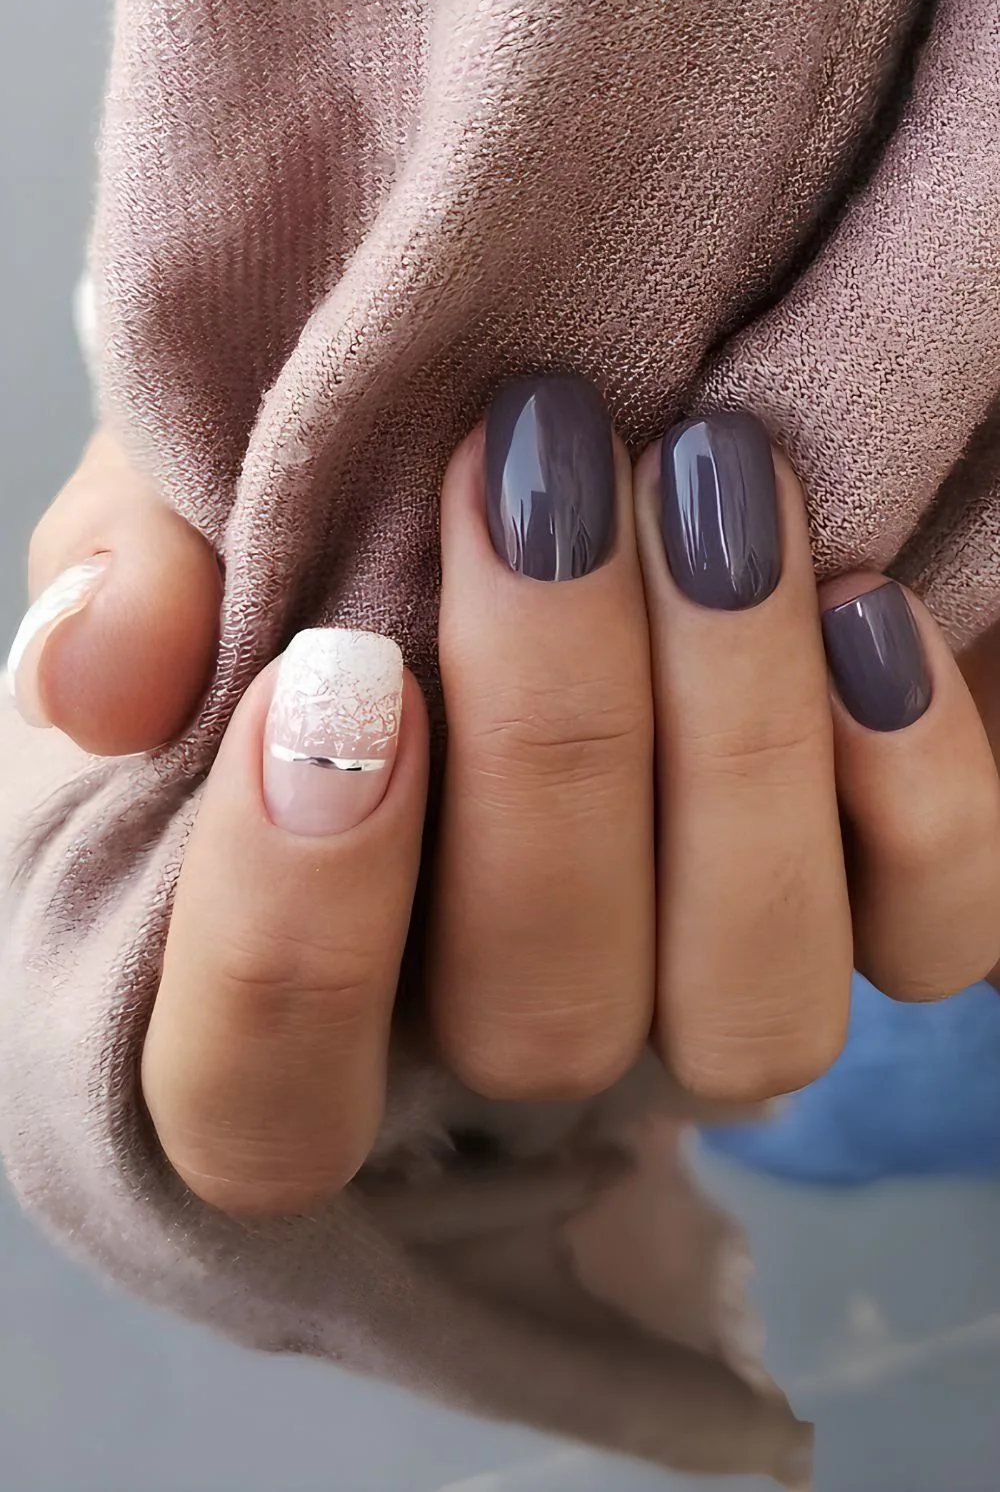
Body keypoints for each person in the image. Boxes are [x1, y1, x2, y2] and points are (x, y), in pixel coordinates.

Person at [9, 381, 1000, 1217]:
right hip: (810, 947)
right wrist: (207, 396)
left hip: (836, 941)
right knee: (828, 1086)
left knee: (830, 1085)